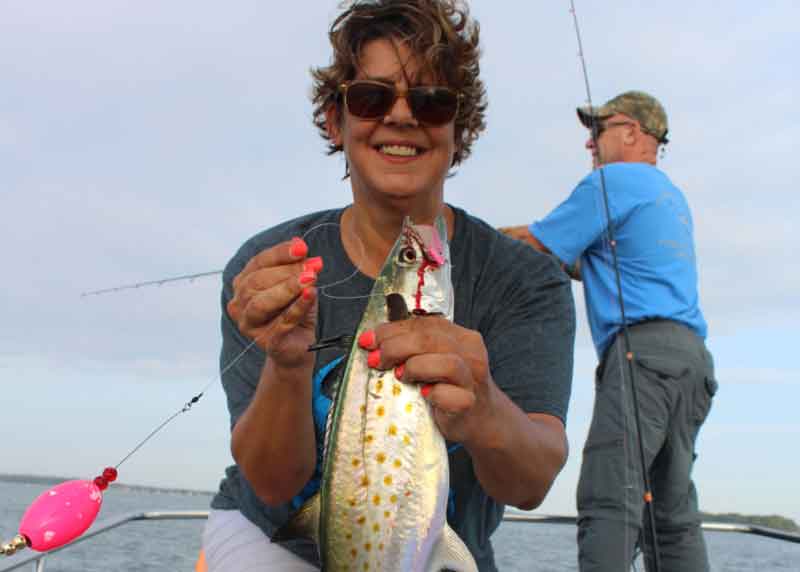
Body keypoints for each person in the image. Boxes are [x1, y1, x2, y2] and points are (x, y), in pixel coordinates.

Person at [201, 2, 576, 571]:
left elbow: (532, 482)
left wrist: (484, 408)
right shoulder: (267, 270)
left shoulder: (526, 281)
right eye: (372, 97)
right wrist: (284, 363)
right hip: (268, 532)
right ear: (337, 120)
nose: (401, 117)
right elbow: (274, 485)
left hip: (440, 546)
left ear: (459, 126)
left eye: (431, 102)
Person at [501, 91, 717, 571]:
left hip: (644, 360)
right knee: (672, 514)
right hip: (692, 364)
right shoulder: (667, 194)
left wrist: (461, 234)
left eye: (597, 130)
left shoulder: (613, 181)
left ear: (632, 132)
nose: (590, 144)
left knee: (608, 501)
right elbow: (582, 259)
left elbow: (537, 243)